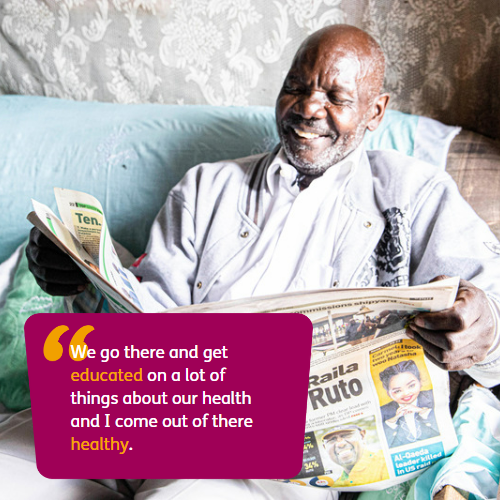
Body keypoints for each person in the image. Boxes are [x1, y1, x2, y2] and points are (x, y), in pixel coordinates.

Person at [14, 23, 500, 499]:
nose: (309, 108)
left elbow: (489, 314)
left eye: (337, 97)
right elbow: (147, 313)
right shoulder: (205, 186)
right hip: (151, 417)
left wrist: (484, 328)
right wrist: (84, 282)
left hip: (278, 464)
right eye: (296, 87)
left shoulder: (415, 192)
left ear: (376, 112)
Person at [378, 360, 439, 448]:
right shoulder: (383, 411)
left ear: (420, 382)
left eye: (411, 386)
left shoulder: (433, 396)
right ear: (389, 394)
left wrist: (423, 411)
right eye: (397, 391)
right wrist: (392, 421)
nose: (406, 393)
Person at [321, 425, 389, 486]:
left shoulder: (385, 461)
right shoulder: (337, 485)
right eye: (331, 440)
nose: (340, 444)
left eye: (346, 435)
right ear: (325, 447)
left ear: (362, 436)